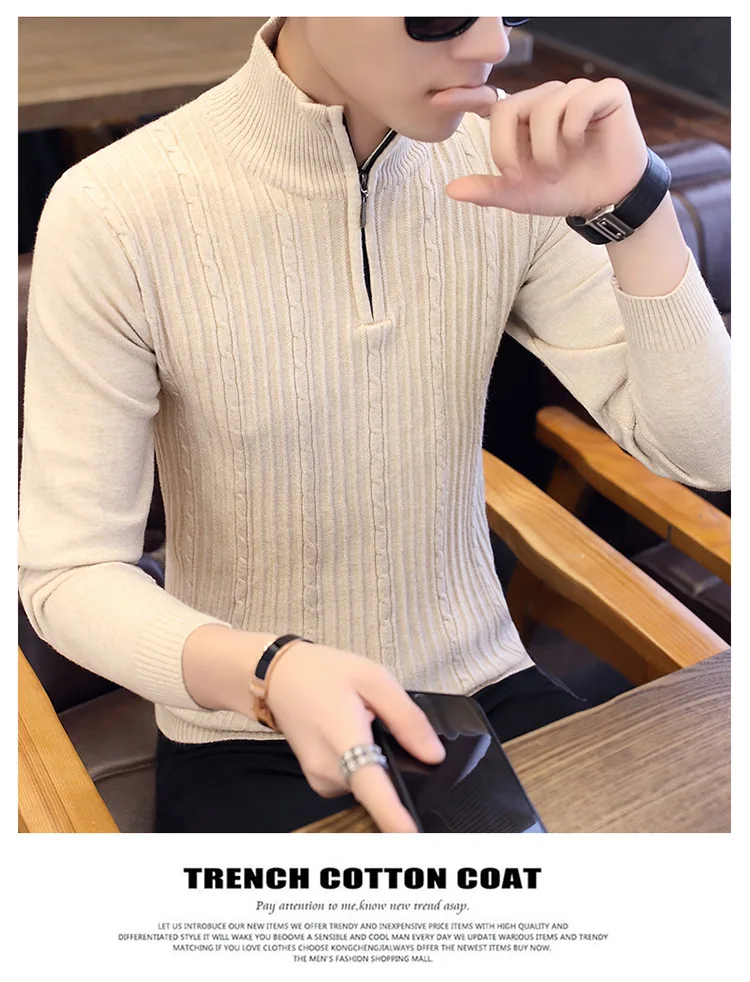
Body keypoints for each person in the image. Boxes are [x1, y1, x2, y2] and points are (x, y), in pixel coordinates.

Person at [18, 17, 730, 833]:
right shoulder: (115, 210)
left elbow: (710, 451)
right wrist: (268, 671)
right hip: (245, 726)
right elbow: (69, 574)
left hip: (487, 688)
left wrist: (635, 209)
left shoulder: (509, 169)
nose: (492, 44)